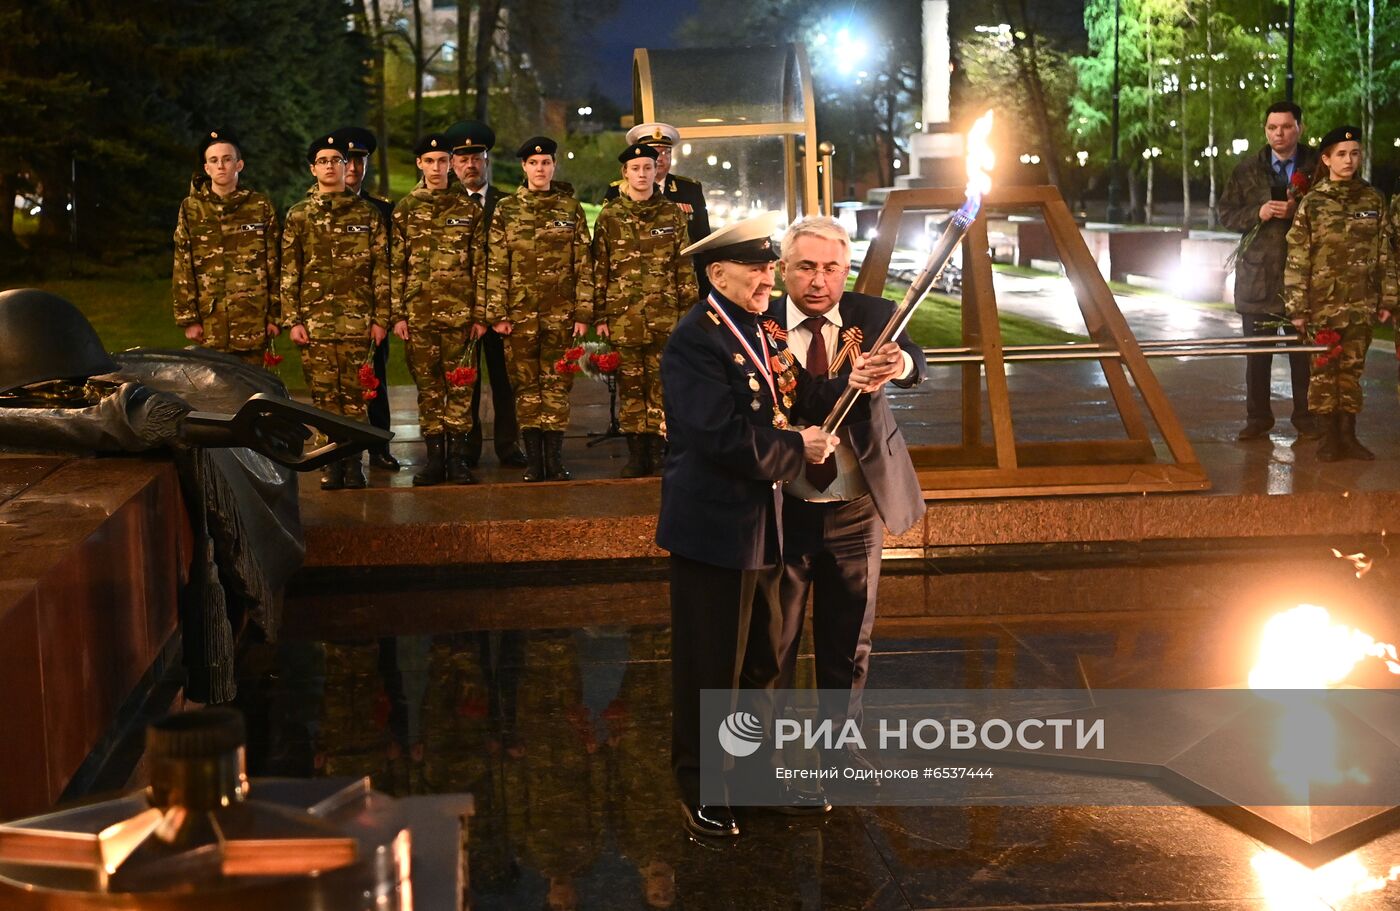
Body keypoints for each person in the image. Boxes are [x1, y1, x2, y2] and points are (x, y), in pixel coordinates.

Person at [656, 213, 904, 839]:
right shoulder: (697, 338)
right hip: (715, 528)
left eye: (771, 266)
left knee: (759, 664)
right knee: (712, 664)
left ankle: (757, 778)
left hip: (764, 525)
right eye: (757, 267)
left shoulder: (754, 328)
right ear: (718, 273)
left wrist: (849, 384)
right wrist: (798, 452)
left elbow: (796, 400)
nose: (770, 278)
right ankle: (704, 788)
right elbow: (717, 435)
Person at [766, 216, 926, 754]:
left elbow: (915, 362)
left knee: (850, 636)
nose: (819, 281)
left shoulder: (874, 317)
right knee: (773, 639)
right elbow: (797, 396)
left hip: (856, 507)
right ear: (783, 269)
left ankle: (841, 737)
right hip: (782, 506)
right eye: (806, 267)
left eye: (831, 268)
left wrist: (898, 363)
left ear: (846, 270)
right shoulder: (757, 319)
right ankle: (767, 742)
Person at [282, 132, 391, 489]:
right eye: (324, 161)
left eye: (338, 161)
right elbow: (290, 270)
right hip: (316, 324)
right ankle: (331, 463)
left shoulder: (367, 213)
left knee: (357, 399)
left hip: (359, 322)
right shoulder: (299, 215)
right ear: (313, 169)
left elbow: (381, 269)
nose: (331, 166)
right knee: (325, 399)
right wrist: (293, 319)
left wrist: (381, 319)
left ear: (348, 168)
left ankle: (354, 464)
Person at [483, 136, 593, 482]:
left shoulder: (569, 208)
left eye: (546, 162)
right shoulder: (507, 210)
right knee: (527, 388)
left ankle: (555, 459)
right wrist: (497, 314)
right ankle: (534, 460)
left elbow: (583, 264)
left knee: (558, 387)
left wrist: (583, 312)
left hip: (561, 315)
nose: (540, 169)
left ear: (554, 166)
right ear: (524, 168)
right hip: (519, 318)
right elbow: (497, 264)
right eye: (533, 163)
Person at [1283, 125, 1396, 461]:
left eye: (1355, 153)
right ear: (1327, 159)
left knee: (1352, 370)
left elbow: (1384, 253)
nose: (1349, 160)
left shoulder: (1373, 199)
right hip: (1322, 306)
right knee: (1323, 372)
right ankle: (1328, 438)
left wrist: (1388, 299)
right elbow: (1297, 257)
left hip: (1361, 304)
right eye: (1342, 154)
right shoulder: (1313, 204)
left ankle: (1349, 436)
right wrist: (1297, 308)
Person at [592, 143, 698, 477]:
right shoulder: (610, 216)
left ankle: (659, 449)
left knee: (663, 385)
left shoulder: (672, 215)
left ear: (657, 171)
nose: (642, 174)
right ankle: (636, 452)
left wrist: (689, 315)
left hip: (665, 317)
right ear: (625, 173)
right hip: (624, 317)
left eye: (648, 168)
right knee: (630, 386)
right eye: (635, 169)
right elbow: (600, 268)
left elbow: (684, 268)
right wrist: (599, 316)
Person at [1218, 101, 1321, 442]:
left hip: (1303, 278)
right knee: (1258, 359)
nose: (1279, 134)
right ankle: (1258, 419)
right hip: (1258, 277)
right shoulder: (1247, 170)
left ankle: (1306, 418)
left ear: (1299, 128)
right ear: (1265, 130)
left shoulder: (1318, 166)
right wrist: (1257, 212)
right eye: (1272, 128)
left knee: (1302, 359)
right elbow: (1225, 214)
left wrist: (1299, 210)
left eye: (1286, 127)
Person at [392, 132, 482, 486]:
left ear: (451, 164)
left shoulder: (467, 208)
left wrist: (480, 315)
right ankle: (434, 460)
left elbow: (481, 263)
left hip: (461, 316)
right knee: (429, 390)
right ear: (419, 164)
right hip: (419, 317)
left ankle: (458, 460)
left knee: (461, 390)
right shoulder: (405, 209)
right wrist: (397, 314)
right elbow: (395, 265)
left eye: (442, 161)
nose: (436, 167)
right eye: (429, 161)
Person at [445, 119, 529, 471]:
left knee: (505, 380)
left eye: (476, 157)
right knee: (466, 382)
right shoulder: (444, 206)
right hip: (460, 309)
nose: (470, 164)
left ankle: (508, 445)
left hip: (501, 309)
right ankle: (467, 448)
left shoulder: (507, 204)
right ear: (452, 164)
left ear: (486, 161)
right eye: (462, 158)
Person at [172, 129, 281, 368]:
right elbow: (183, 265)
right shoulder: (191, 209)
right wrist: (188, 318)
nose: (221, 165)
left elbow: (274, 262)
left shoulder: (259, 206)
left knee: (253, 395)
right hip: (210, 324)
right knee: (215, 396)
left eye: (227, 159)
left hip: (253, 321)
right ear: (206, 168)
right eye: (214, 160)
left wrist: (275, 315)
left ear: (239, 164)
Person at [332, 126, 401, 472]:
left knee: (375, 380)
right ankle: (338, 452)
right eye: (348, 161)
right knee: (335, 387)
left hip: (372, 312)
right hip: (330, 313)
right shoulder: (317, 210)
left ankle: (378, 446)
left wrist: (385, 315)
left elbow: (390, 266)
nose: (355, 168)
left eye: (360, 161)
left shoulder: (382, 211)